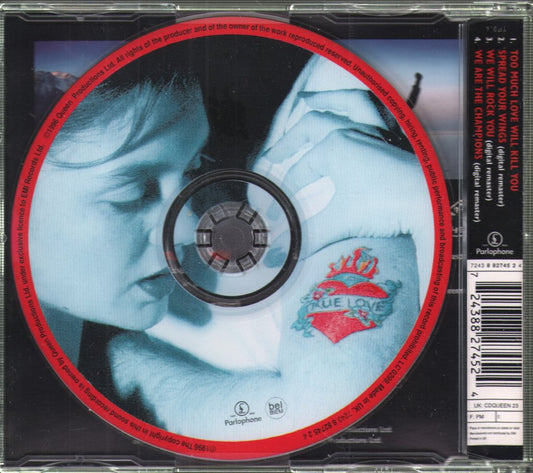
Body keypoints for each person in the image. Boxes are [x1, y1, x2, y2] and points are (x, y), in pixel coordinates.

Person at [29, 43, 433, 441]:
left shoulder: (337, 117)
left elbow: (325, 413)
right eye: (131, 195)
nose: (189, 230)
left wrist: (107, 357)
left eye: (193, 170)